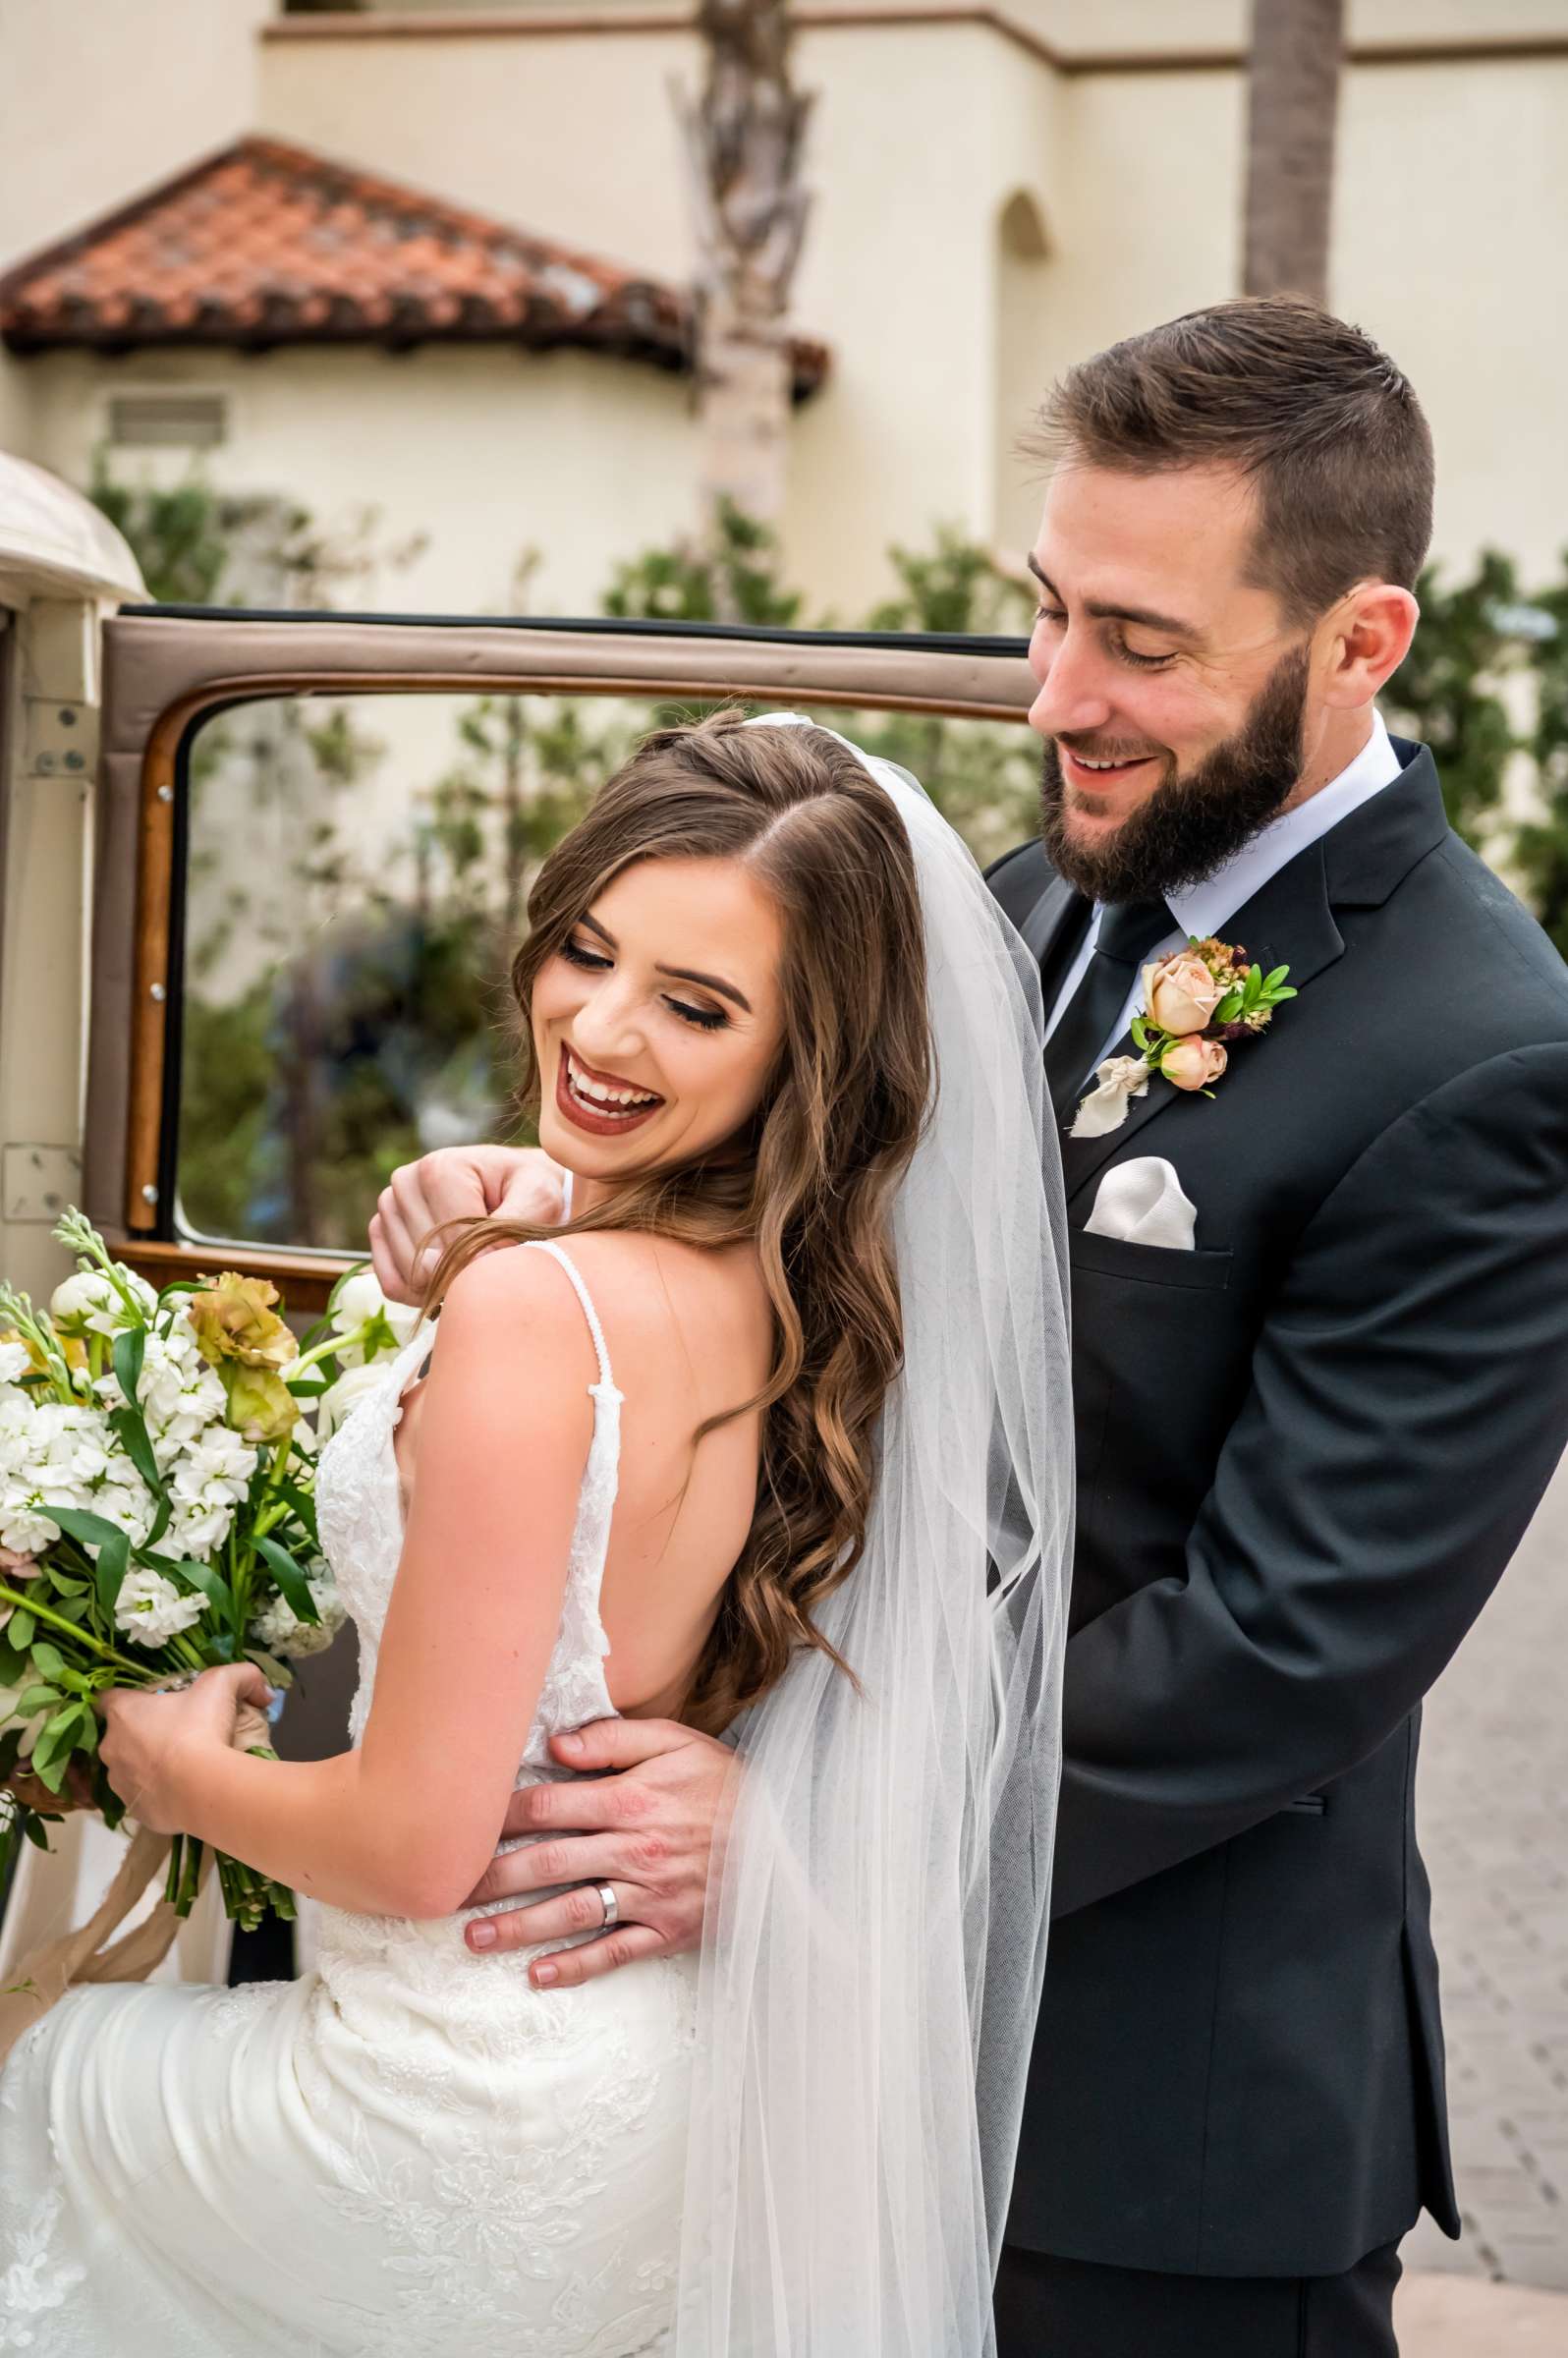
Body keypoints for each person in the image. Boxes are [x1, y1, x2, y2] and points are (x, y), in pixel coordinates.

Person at [392, 301, 1568, 2358]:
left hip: (1152, 2110)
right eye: (1046, 613)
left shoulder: (1488, 1056)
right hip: (821, 2058)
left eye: (1142, 643)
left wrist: (814, 1826)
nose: (1057, 697)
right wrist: (567, 1211)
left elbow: (1285, 1641)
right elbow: (831, 1236)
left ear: (1362, 641)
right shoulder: (1021, 903)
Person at [0, 715, 1071, 2354]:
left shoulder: (535, 1312)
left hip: (443, 2111)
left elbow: (418, 1848)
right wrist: (535, 1203)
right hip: (658, 2099)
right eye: (586, 949)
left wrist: (163, 1762)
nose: (601, 1025)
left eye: (697, 1007)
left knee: (38, 2085)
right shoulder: (802, 1308)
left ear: (805, 1056)